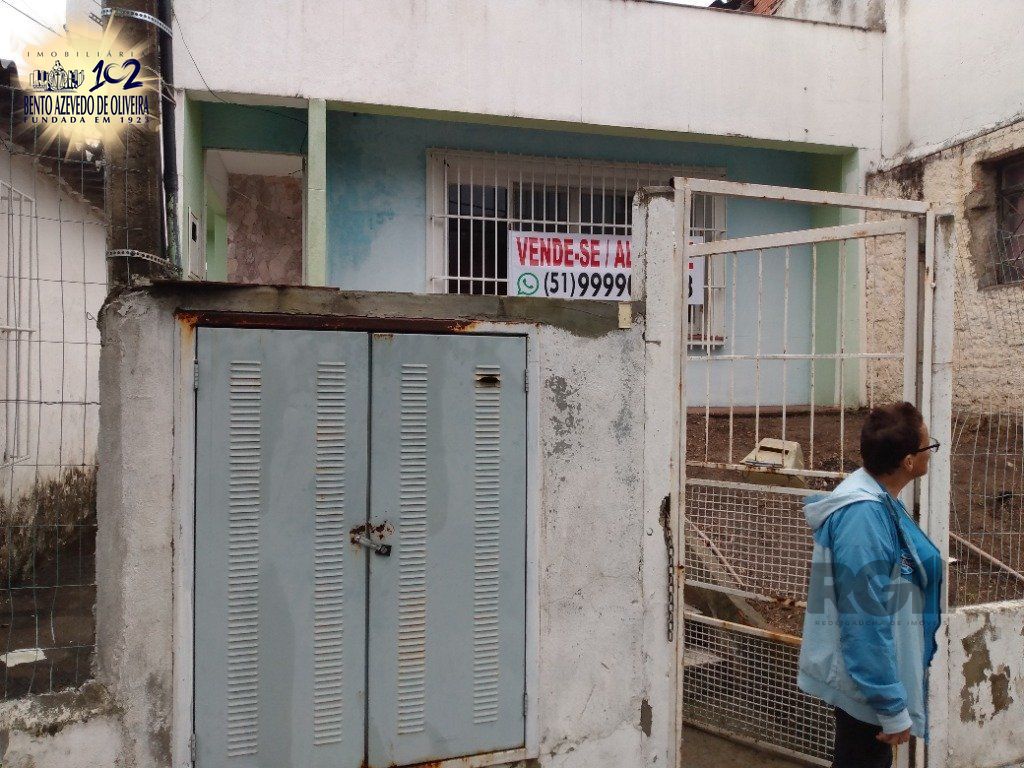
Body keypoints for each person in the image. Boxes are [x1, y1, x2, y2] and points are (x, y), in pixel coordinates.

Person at [797, 402, 943, 768]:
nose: (932, 452)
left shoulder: (878, 499)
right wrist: (890, 705)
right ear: (908, 461)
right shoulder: (863, 516)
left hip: (873, 680)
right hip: (867, 688)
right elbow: (864, 619)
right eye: (929, 446)